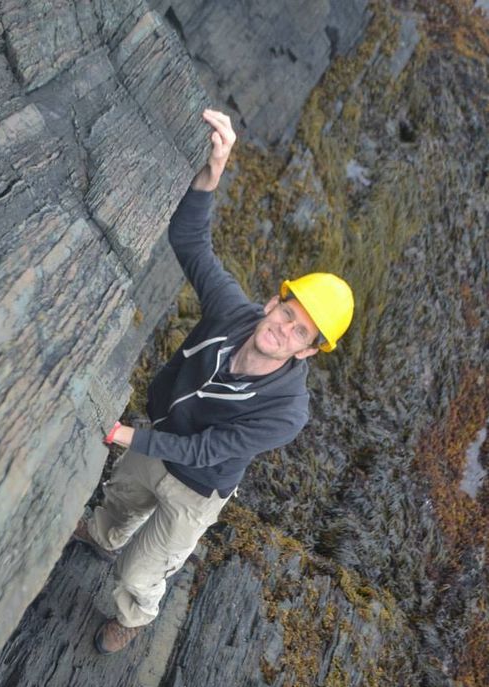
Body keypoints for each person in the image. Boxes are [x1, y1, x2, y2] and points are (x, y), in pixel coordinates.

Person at [73, 109, 354, 654]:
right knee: (118, 503)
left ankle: (133, 617)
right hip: (155, 436)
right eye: (287, 312)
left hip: (196, 488)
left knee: (140, 574)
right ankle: (100, 535)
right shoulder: (234, 312)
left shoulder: (288, 412)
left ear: (310, 350)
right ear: (275, 300)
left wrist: (126, 435)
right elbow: (191, 242)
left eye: (300, 332)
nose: (283, 329)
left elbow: (206, 449)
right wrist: (214, 167)